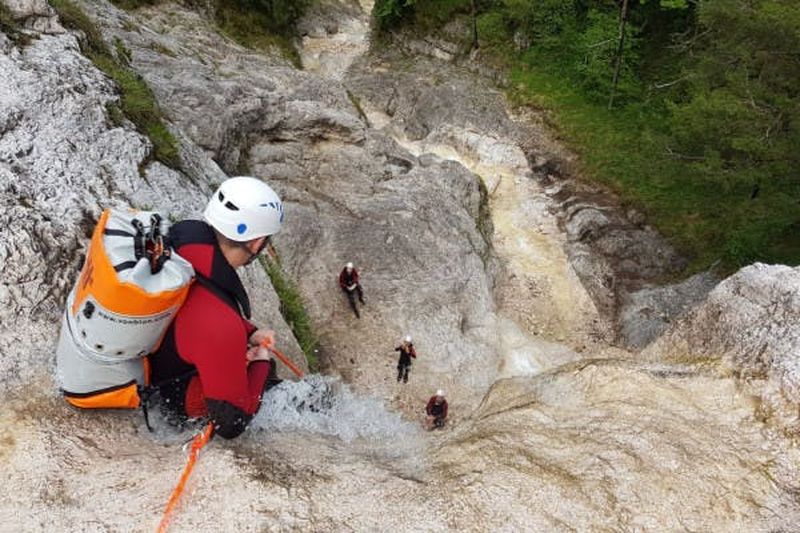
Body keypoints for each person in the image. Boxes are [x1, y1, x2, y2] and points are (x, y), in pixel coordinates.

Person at [149, 176, 285, 439]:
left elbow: (198, 302)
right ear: (257, 243)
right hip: (171, 397)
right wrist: (260, 365)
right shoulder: (221, 324)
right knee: (265, 381)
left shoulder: (184, 242)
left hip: (160, 355)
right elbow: (230, 423)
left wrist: (249, 332)